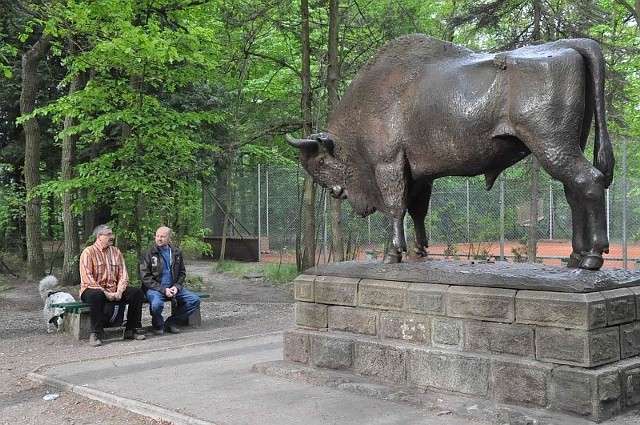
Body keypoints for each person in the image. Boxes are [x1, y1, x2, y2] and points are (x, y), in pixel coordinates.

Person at [79, 224, 146, 347]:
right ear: (99, 237)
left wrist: (120, 291)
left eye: (112, 234)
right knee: (97, 295)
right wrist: (105, 293)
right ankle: (96, 333)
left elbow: (123, 275)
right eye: (108, 234)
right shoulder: (88, 252)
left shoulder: (116, 252)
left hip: (114, 289)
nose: (112, 237)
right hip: (92, 289)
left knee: (136, 293)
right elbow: (87, 278)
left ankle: (131, 330)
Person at [139, 226, 201, 335]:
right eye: (157, 236)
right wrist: (163, 289)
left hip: (173, 287)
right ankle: (158, 324)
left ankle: (172, 322)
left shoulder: (176, 253)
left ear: (169, 238)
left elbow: (182, 272)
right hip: (155, 289)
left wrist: (176, 287)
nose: (159, 239)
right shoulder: (148, 254)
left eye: (162, 236)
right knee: (157, 304)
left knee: (194, 300)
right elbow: (145, 277)